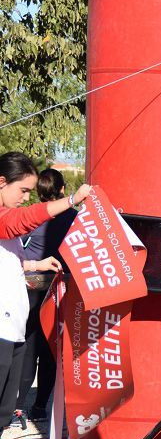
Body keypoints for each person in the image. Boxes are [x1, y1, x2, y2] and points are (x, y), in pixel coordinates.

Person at [0, 152, 91, 439]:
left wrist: (34, 264)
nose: (27, 198)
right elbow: (21, 221)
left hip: (14, 323)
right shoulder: (8, 216)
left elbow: (7, 255)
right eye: (23, 190)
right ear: (1, 183)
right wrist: (70, 201)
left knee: (4, 411)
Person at [17, 169, 77, 421]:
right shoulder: (75, 218)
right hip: (58, 287)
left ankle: (18, 405)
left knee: (28, 345)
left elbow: (20, 246)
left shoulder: (32, 217)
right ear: (62, 190)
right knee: (50, 347)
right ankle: (41, 406)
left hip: (30, 287)